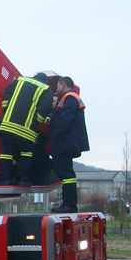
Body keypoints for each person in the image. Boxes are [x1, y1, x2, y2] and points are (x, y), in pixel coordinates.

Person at [0, 72, 53, 186]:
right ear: (46, 81)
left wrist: (6, 111)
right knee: (26, 153)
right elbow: (44, 109)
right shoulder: (46, 90)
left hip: (7, 125)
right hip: (27, 130)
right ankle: (23, 179)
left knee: (6, 153)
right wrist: (38, 120)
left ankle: (4, 179)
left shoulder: (20, 80)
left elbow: (6, 92)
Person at [49, 76, 89, 213]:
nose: (57, 89)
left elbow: (65, 120)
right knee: (66, 174)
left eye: (58, 86)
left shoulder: (70, 98)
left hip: (65, 142)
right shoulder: (71, 98)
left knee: (66, 174)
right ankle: (68, 204)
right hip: (67, 142)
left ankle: (69, 204)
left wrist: (56, 133)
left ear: (63, 85)